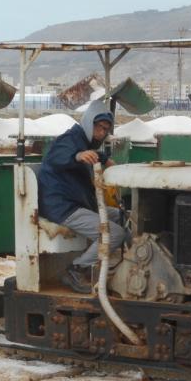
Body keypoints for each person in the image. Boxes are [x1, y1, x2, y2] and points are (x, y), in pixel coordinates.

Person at [37, 100, 129, 293]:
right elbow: (57, 156)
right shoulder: (69, 139)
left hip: (80, 204)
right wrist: (77, 156)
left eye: (105, 129)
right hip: (63, 207)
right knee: (115, 233)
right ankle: (77, 269)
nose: (101, 133)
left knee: (126, 217)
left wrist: (107, 160)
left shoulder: (83, 143)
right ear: (88, 123)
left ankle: (129, 263)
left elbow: (93, 154)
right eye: (98, 127)